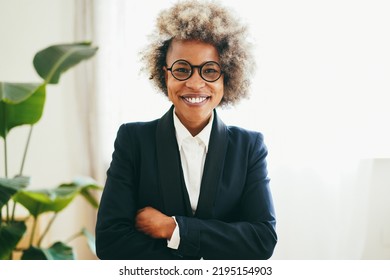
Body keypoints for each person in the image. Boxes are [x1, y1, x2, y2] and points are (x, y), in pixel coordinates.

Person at [95, 0, 277, 260]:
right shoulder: (133, 140)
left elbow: (262, 241)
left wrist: (173, 229)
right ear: (164, 74)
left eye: (210, 70)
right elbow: (110, 242)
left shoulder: (249, 147)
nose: (195, 82)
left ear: (228, 75)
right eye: (182, 69)